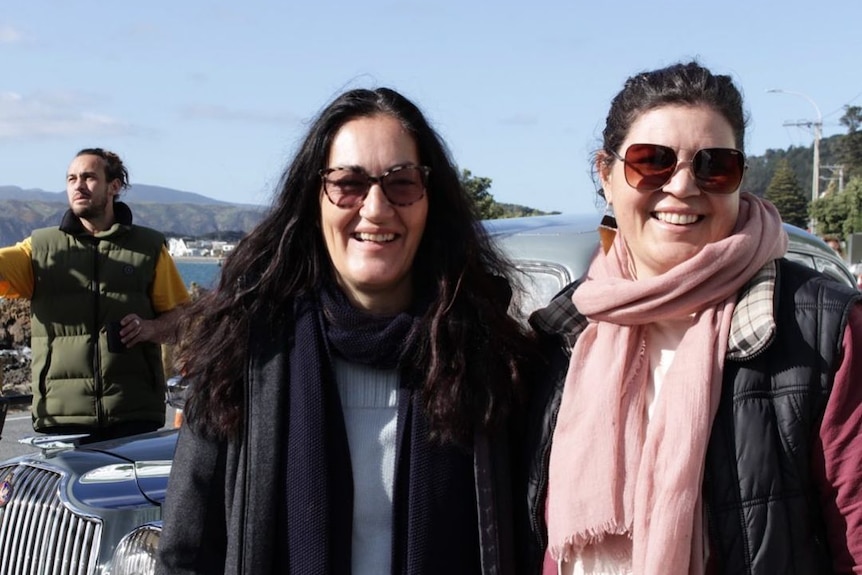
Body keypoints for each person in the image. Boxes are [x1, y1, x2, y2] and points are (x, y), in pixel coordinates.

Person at [156, 87, 534, 574]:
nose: (375, 208)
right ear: (315, 198)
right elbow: (187, 551)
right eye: (349, 183)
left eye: (401, 183)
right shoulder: (246, 356)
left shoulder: (492, 361)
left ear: (429, 198)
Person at [521, 62, 862, 574]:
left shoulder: (823, 327)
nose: (682, 186)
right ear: (606, 174)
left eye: (714, 165)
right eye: (651, 161)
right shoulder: (563, 330)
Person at [0, 148, 190, 440]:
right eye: (71, 178)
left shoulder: (149, 247)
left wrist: (150, 328)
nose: (78, 185)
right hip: (61, 415)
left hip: (134, 413)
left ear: (114, 186)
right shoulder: (39, 248)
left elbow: (180, 318)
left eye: (89, 177)